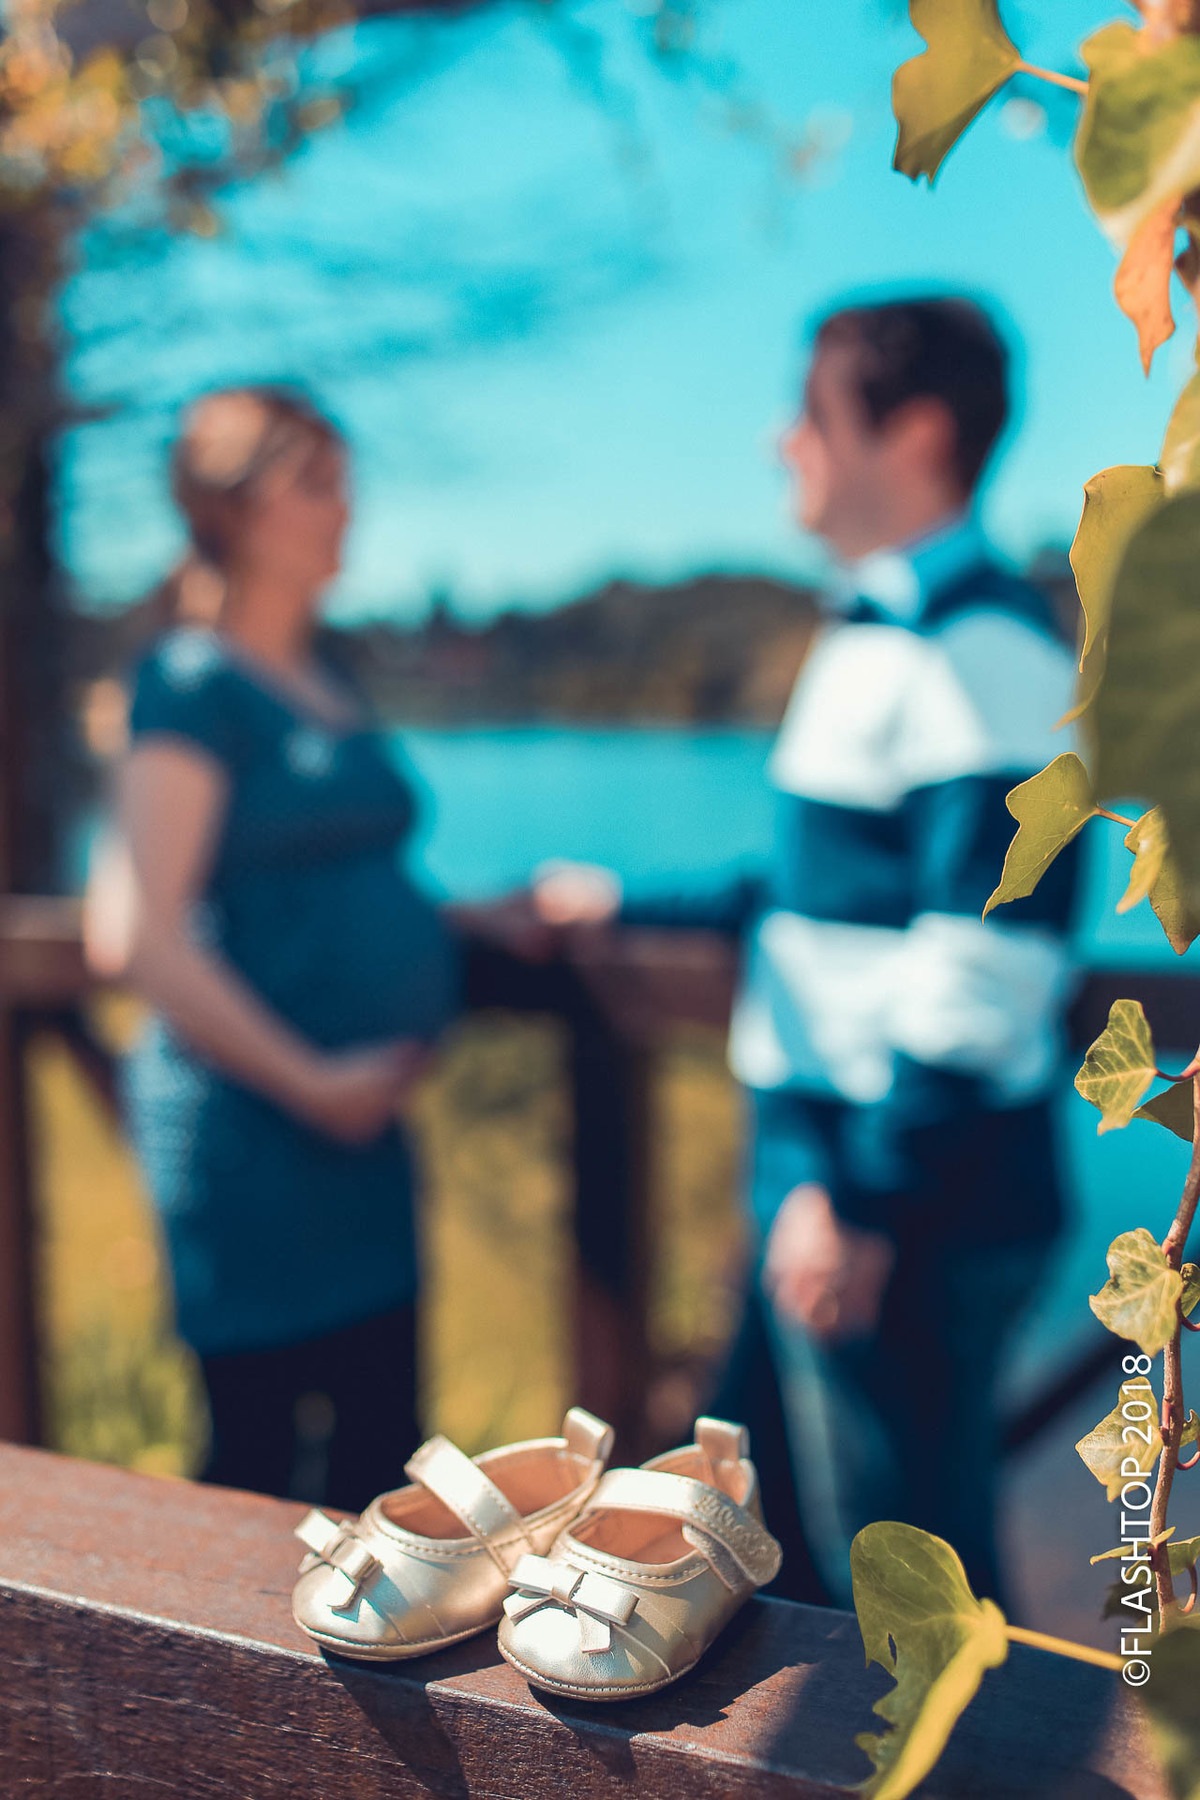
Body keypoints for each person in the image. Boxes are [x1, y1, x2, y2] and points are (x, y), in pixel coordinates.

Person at [533, 296, 1080, 1611]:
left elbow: (988, 961)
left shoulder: (984, 653)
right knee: (803, 1573)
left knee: (906, 1613)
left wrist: (865, 1199)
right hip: (844, 1188)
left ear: (916, 435)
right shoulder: (884, 630)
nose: (781, 442)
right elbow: (820, 888)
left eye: (812, 413)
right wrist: (620, 900)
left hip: (905, 1208)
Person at [85, 387, 459, 1511]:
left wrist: (474, 923)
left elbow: (341, 873)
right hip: (257, 1134)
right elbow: (141, 936)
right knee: (257, 1481)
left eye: (345, 480)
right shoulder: (191, 682)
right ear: (233, 508)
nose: (347, 508)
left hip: (364, 1135)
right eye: (315, 483)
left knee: (383, 1468)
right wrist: (315, 1085)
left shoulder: (326, 677)